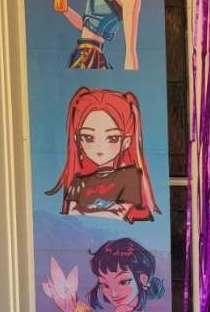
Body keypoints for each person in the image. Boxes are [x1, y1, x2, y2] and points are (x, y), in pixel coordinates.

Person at [46, 86, 158, 221]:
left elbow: (116, 215)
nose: (99, 146)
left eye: (112, 138)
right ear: (77, 139)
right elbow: (72, 214)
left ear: (126, 142)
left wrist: (84, 209)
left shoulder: (130, 177)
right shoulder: (78, 180)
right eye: (88, 137)